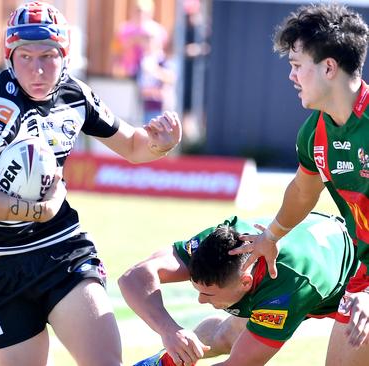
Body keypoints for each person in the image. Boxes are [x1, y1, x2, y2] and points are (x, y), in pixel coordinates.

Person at [0, 2, 181, 365]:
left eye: (48, 56)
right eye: (25, 56)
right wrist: (36, 210)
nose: (37, 69)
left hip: (60, 250)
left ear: (65, 55)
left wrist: (159, 145)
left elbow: (133, 145)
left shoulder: (75, 95)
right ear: (10, 57)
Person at [227, 4, 369, 364]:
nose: (291, 77)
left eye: (296, 65)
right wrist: (270, 237)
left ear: (329, 67)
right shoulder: (314, 132)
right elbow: (304, 191)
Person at [119, 213, 358, 366]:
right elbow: (133, 278)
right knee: (225, 336)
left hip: (355, 288)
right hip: (311, 248)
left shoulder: (287, 287)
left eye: (209, 294)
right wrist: (169, 331)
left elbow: (241, 364)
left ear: (245, 281)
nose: (200, 301)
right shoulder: (220, 239)